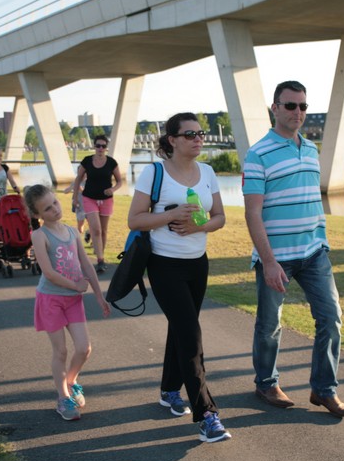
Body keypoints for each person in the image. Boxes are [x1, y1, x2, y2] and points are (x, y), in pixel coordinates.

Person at [243, 80, 344, 418]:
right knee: (269, 324)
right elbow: (252, 213)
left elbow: (309, 200)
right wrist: (268, 262)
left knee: (331, 318)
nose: (298, 112)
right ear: (275, 108)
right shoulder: (258, 154)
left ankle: (324, 390)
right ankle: (266, 383)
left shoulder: (310, 149)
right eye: (290, 105)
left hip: (314, 253)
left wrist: (321, 238)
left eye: (303, 106)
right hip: (276, 258)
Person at [127, 112, 231, 443]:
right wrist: (171, 214)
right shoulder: (154, 172)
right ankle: (207, 415)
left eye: (200, 133)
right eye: (190, 134)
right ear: (172, 140)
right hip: (164, 265)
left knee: (181, 329)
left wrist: (199, 227)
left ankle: (169, 389)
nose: (198, 139)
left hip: (197, 264)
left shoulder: (208, 172)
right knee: (190, 334)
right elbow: (134, 220)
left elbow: (220, 217)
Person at [25, 184, 110, 421]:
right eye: (47, 208)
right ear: (37, 214)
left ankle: (71, 381)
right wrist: (75, 285)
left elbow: (86, 265)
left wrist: (99, 295)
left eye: (54, 202)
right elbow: (49, 272)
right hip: (51, 300)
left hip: (73, 301)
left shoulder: (72, 232)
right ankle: (63, 398)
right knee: (60, 351)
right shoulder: (39, 235)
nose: (55, 209)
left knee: (84, 348)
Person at [72, 135, 122, 273]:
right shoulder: (87, 161)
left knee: (104, 230)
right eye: (98, 145)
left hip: (106, 199)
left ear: (106, 148)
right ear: (94, 146)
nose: (100, 148)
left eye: (103, 146)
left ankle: (101, 257)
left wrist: (112, 189)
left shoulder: (111, 162)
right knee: (96, 229)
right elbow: (78, 179)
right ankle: (100, 260)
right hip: (89, 198)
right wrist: (75, 198)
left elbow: (120, 181)